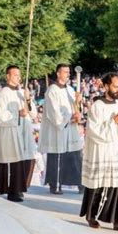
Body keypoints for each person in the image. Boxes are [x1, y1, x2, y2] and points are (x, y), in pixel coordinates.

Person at [80, 73, 118, 232]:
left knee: (117, 185)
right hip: (101, 150)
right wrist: (113, 123)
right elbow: (93, 130)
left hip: (115, 150)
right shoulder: (97, 105)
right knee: (98, 184)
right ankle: (92, 216)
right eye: (115, 86)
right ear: (106, 86)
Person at [0, 65, 37, 202]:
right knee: (13, 161)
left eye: (19, 75)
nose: (18, 78)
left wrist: (28, 99)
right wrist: (17, 114)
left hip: (24, 129)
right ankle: (12, 191)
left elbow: (33, 113)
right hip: (11, 131)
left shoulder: (22, 93)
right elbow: (0, 115)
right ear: (8, 76)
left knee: (25, 159)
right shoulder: (3, 94)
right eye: (15, 75)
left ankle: (20, 187)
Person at [39, 64, 83, 194]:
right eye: (65, 72)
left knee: (75, 155)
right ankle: (55, 184)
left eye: (69, 72)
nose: (68, 74)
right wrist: (69, 119)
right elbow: (53, 113)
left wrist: (78, 104)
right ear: (58, 74)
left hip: (71, 128)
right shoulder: (52, 90)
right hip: (58, 130)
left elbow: (75, 108)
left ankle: (80, 183)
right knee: (57, 157)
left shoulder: (70, 89)